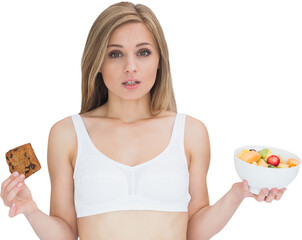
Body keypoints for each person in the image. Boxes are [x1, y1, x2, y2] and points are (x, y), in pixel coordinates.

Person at [0, 2, 286, 240]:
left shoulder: (190, 132)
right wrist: (31, 211)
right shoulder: (67, 134)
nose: (130, 67)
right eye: (115, 54)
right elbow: (66, 232)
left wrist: (238, 194)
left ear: (160, 60)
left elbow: (194, 230)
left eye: (143, 52)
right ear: (97, 61)